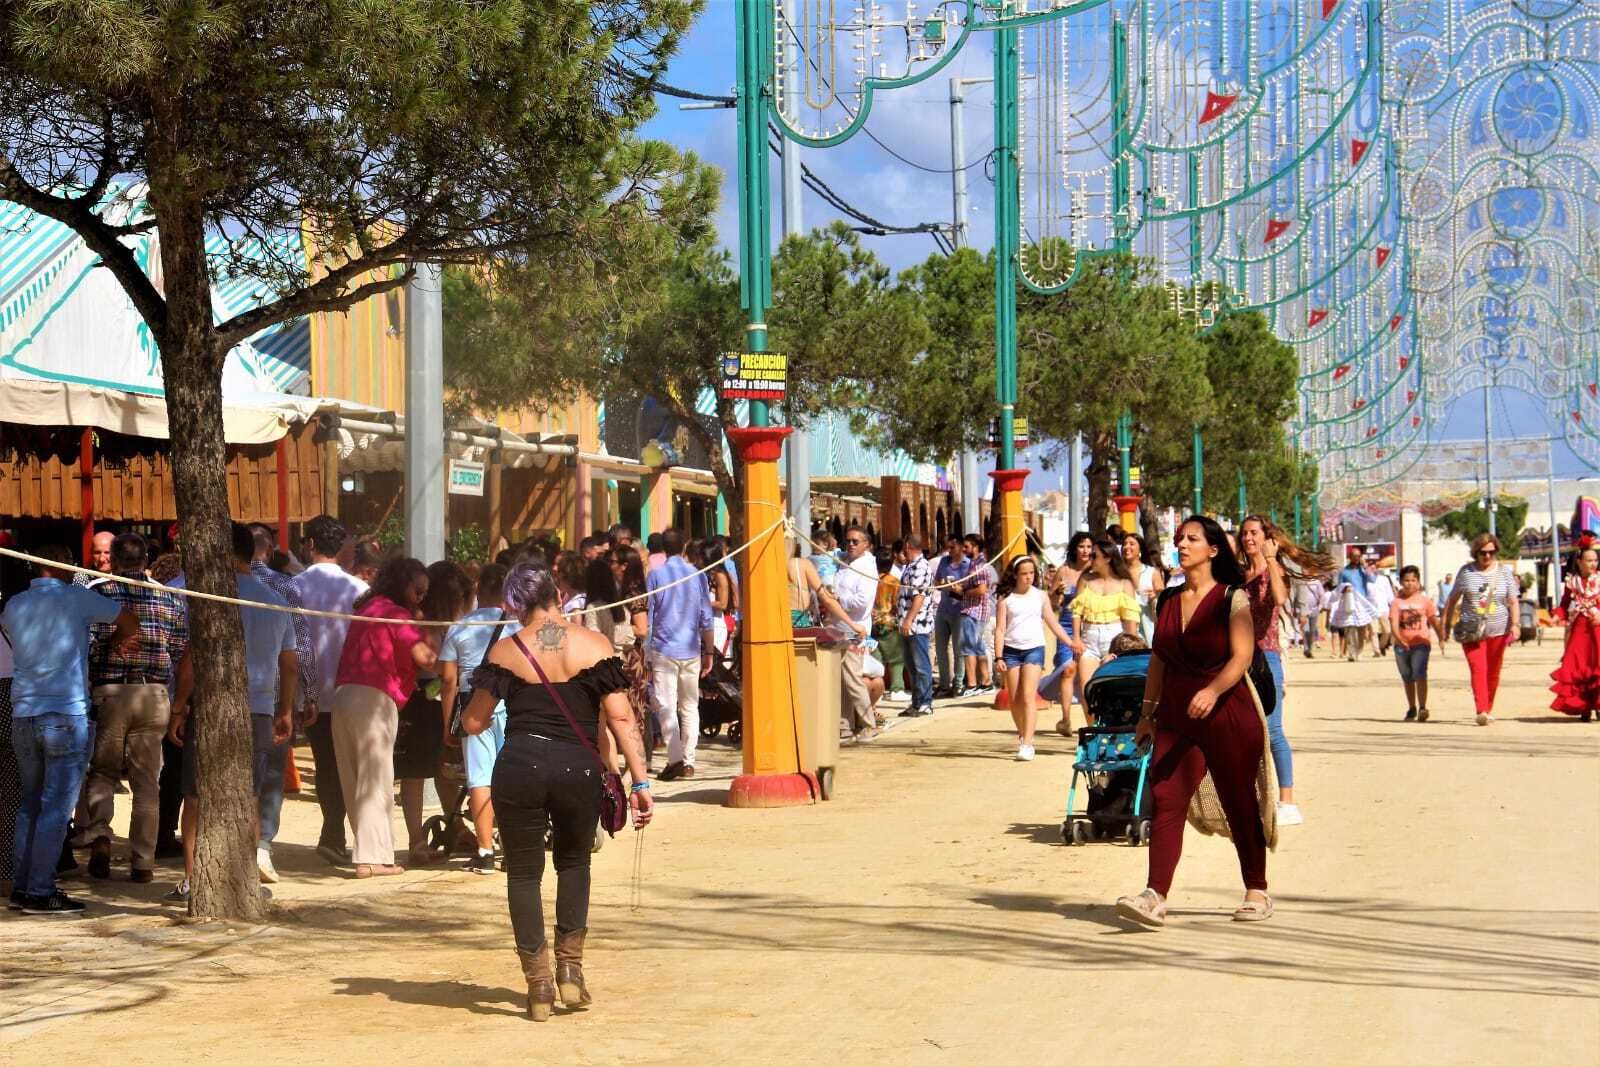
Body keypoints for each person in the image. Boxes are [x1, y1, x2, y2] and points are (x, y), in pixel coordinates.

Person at [461, 562, 653, 1022]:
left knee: (524, 874)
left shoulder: (506, 651)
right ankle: (570, 971)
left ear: (514, 604)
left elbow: (473, 722)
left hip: (521, 766)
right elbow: (623, 718)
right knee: (573, 864)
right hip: (577, 766)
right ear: (557, 595)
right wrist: (640, 781)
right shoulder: (595, 645)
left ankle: (539, 984)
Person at [1116, 516, 1274, 928]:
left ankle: (1257, 890)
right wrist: (1147, 715)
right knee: (1166, 795)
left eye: (1192, 539)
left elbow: (1241, 656)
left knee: (1239, 800)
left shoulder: (1230, 598)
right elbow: (1159, 660)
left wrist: (1214, 690)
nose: (1182, 545)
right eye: (1179, 539)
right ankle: (1155, 895)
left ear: (1213, 549)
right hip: (1175, 714)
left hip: (1228, 713)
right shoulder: (1166, 600)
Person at [165, 524, 298, 906]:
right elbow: (289, 663)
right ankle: (243, 878)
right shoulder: (275, 600)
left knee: (195, 795)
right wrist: (284, 709)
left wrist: (179, 706)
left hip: (211, 704)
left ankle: (193, 880)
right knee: (250, 794)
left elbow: (192, 658)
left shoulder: (210, 596)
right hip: (259, 706)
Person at [1, 545, 136, 914]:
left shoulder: (13, 606)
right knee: (55, 808)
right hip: (63, 713)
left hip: (24, 715)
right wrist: (118, 642)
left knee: (31, 803)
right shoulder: (78, 598)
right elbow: (129, 621)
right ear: (66, 568)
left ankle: (24, 886)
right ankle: (40, 890)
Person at [82, 532, 187, 884]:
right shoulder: (167, 597)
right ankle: (143, 861)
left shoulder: (100, 593)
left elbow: (91, 645)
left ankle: (99, 836)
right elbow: (178, 647)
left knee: (103, 771)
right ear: (145, 559)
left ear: (112, 557)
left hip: (112, 691)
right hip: (154, 693)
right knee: (147, 782)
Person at [330, 556, 438, 877]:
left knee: (354, 779)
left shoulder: (366, 609)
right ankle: (372, 859)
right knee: (376, 780)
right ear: (402, 585)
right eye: (417, 590)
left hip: (343, 696)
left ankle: (366, 854)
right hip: (373, 700)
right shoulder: (397, 615)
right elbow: (426, 659)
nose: (420, 597)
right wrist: (429, 630)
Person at [290, 516, 366, 865]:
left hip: (312, 691)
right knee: (353, 765)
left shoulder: (294, 587)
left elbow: (294, 643)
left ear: (309, 545)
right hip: (353, 690)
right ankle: (346, 834)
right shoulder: (359, 591)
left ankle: (333, 830)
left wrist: (301, 693)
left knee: (326, 765)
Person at [245, 525, 317, 883]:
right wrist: (307, 696)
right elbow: (299, 649)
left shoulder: (220, 586)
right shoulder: (286, 587)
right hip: (272, 696)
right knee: (270, 777)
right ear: (272, 550)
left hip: (223, 697)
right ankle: (262, 846)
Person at [439, 563, 513, 874]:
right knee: (514, 777)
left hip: (473, 707)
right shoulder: (517, 626)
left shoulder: (459, 627)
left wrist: (448, 724)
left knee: (480, 778)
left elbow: (447, 680)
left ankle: (485, 850)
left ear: (478, 588)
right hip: (512, 704)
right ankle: (513, 849)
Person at [1238, 516, 1299, 828]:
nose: (1249, 538)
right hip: (1239, 659)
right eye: (1245, 533)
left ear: (1266, 537)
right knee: (1243, 732)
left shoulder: (1274, 570)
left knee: (1273, 729)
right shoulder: (1238, 574)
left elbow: (1279, 597)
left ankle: (1288, 801)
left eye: (1254, 533)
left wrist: (1272, 559)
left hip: (1268, 657)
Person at [645, 529, 713, 781]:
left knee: (666, 706)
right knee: (689, 706)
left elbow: (649, 617)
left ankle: (676, 759)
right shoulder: (697, 575)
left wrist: (646, 652)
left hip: (664, 649)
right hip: (691, 648)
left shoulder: (655, 575)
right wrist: (709, 650)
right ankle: (688, 759)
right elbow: (706, 616)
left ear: (663, 548)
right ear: (684, 546)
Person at [993, 556, 1076, 761]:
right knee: (1015, 699)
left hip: (1034, 649)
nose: (1028, 577)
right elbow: (1000, 630)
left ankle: (1028, 743)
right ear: (1015, 574)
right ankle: (1023, 734)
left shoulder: (1040, 596)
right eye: (1024, 573)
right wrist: (998, 656)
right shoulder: (1006, 599)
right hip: (1011, 650)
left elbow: (1053, 623)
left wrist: (1070, 642)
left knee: (1029, 696)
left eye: (1032, 573)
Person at [1442, 533, 1519, 725]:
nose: (1487, 556)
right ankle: (1482, 709)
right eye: (1483, 553)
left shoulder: (1504, 572)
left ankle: (1488, 707)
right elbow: (1452, 601)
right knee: (1478, 668)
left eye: (1491, 552)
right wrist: (1446, 625)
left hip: (1498, 630)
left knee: (1493, 671)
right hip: (1471, 631)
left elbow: (1512, 601)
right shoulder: (1466, 572)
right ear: (1476, 553)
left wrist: (1516, 625)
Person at [584, 548, 652, 764]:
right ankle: (635, 771)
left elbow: (593, 637)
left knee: (604, 723)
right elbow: (629, 637)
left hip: (603, 669)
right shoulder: (619, 606)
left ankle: (612, 769)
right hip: (624, 662)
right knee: (628, 719)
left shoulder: (595, 608)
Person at [1070, 540, 1142, 703]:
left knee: (1111, 690)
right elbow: (1077, 611)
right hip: (1089, 637)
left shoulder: (1125, 583)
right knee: (1086, 690)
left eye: (1094, 555)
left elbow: (1130, 619)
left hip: (1114, 638)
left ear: (1108, 558)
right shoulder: (1085, 580)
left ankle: (1104, 728)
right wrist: (1076, 637)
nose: (1090, 558)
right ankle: (1091, 728)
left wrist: (1129, 649)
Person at [832, 525, 879, 742]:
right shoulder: (842, 562)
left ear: (866, 544)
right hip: (836, 627)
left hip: (855, 629)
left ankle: (869, 723)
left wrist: (836, 601)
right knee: (840, 680)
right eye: (848, 540)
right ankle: (845, 725)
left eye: (855, 541)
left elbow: (862, 601)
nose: (850, 544)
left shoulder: (867, 568)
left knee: (853, 677)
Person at [1049, 533, 1094, 736]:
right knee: (1068, 670)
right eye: (1081, 546)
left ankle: (1092, 721)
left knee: (1087, 675)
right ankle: (1066, 718)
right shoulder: (1064, 571)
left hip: (1090, 626)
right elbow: (1051, 604)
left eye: (1088, 546)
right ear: (1075, 548)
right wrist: (1057, 592)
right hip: (1067, 624)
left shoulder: (1096, 571)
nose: (1085, 550)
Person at [1551, 546, 1600, 721]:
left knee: (1597, 665)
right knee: (1579, 666)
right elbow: (1564, 604)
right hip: (1579, 628)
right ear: (1579, 562)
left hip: (1598, 627)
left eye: (1595, 560)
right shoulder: (1572, 582)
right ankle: (1584, 706)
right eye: (1589, 560)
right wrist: (1557, 615)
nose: (1593, 564)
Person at [1390, 564, 1443, 722]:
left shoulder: (1425, 601)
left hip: (1421, 643)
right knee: (1407, 677)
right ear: (1401, 582)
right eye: (1406, 580)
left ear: (1418, 582)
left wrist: (1441, 637)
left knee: (1420, 674)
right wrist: (1399, 639)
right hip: (1401, 645)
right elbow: (1393, 623)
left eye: (1413, 580)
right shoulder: (1397, 602)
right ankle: (1411, 707)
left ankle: (1422, 707)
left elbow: (1434, 620)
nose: (1410, 583)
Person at [895, 535, 936, 717]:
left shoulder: (921, 566)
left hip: (917, 624)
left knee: (921, 666)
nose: (903, 553)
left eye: (905, 549)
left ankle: (926, 702)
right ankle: (916, 702)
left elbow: (919, 596)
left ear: (909, 546)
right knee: (911, 666)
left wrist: (909, 620)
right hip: (906, 623)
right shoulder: (909, 566)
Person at [932, 537, 971, 697]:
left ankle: (959, 683)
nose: (950, 550)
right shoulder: (944, 562)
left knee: (958, 650)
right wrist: (946, 585)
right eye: (948, 547)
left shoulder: (968, 565)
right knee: (941, 649)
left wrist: (958, 588)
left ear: (961, 547)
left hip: (960, 611)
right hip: (943, 609)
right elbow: (937, 582)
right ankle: (944, 684)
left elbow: (969, 587)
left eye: (953, 547)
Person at [958, 534, 996, 695]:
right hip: (974, 611)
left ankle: (972, 684)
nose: (963, 549)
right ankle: (985, 681)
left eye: (966, 546)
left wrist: (964, 590)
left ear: (975, 546)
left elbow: (981, 590)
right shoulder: (975, 564)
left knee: (969, 648)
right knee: (978, 647)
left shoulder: (978, 565)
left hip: (974, 612)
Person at [871, 546, 909, 704]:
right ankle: (897, 688)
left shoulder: (870, 578)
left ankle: (876, 690)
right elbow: (897, 603)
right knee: (896, 659)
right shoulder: (894, 581)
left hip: (872, 622)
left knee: (876, 656)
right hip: (889, 622)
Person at [1123, 531, 1160, 642]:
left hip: (1148, 627)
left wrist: (1155, 595)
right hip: (1123, 628)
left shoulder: (1151, 572)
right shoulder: (1118, 573)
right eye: (1125, 544)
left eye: (1131, 544)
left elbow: (1162, 596)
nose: (1126, 547)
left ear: (1140, 550)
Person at [1292, 578, 1325, 658]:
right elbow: (1296, 595)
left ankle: (1310, 648)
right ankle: (1306, 649)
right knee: (1305, 630)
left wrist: (1319, 607)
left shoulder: (1317, 582)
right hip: (1303, 610)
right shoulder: (1300, 580)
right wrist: (1295, 608)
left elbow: (1322, 595)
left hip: (1314, 610)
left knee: (1312, 631)